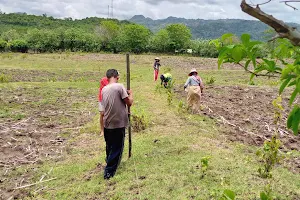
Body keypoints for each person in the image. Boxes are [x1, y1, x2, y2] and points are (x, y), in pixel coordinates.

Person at [102, 69, 133, 179]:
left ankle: (108, 161)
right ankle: (109, 173)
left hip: (107, 123)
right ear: (116, 76)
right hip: (118, 123)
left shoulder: (104, 89)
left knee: (109, 146)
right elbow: (128, 102)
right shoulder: (119, 87)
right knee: (117, 148)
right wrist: (131, 94)